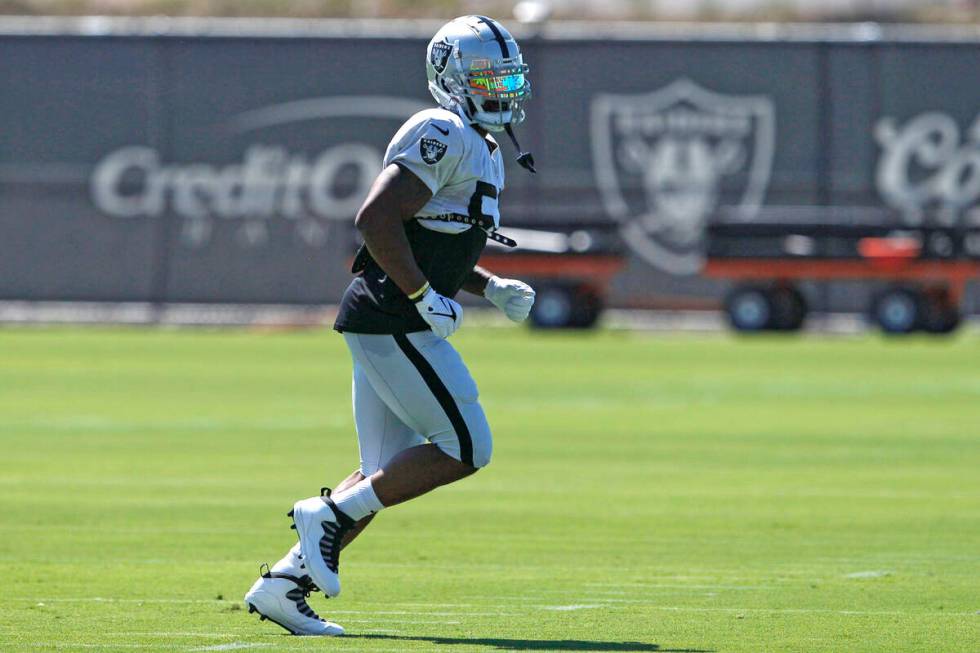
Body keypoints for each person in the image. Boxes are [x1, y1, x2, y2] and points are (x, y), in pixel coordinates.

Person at [244, 15, 537, 636]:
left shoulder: (480, 145)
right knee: (466, 445)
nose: (503, 88)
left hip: (389, 313)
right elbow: (376, 219)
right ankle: (323, 517)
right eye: (489, 75)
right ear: (450, 77)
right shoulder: (443, 129)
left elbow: (432, 241)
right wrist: (425, 296)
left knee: (383, 468)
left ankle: (283, 584)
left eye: (508, 75)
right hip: (393, 316)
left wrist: (488, 286)